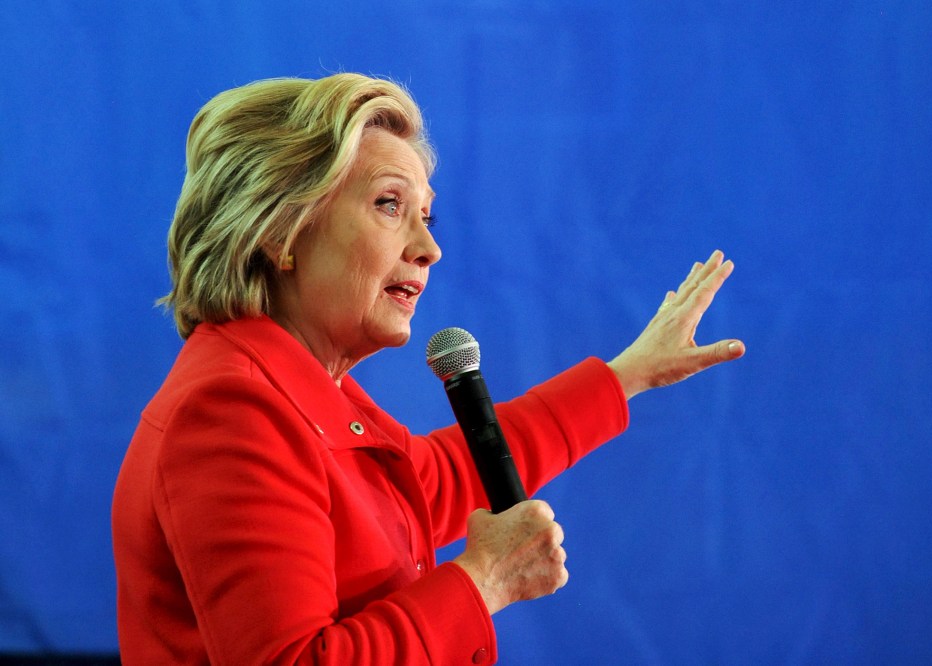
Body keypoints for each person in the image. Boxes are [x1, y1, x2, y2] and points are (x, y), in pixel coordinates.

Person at [111, 72, 745, 665]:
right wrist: (484, 580)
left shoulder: (303, 390)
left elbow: (436, 481)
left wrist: (628, 375)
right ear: (282, 232)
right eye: (390, 205)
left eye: (427, 215)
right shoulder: (231, 411)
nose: (429, 248)